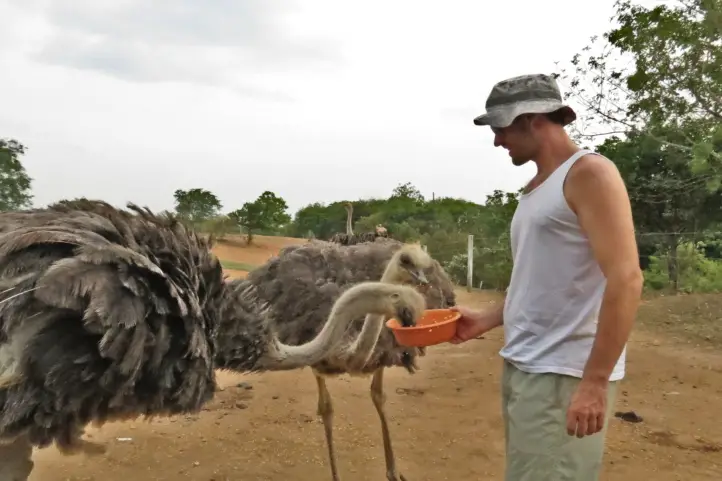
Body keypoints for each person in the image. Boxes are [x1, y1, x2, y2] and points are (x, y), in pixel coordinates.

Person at [452, 73, 643, 481]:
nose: (498, 141)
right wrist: (486, 319)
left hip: (564, 373)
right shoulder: (540, 187)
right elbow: (542, 281)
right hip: (528, 364)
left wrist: (594, 382)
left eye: (502, 129)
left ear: (533, 119)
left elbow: (626, 279)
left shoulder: (589, 173)